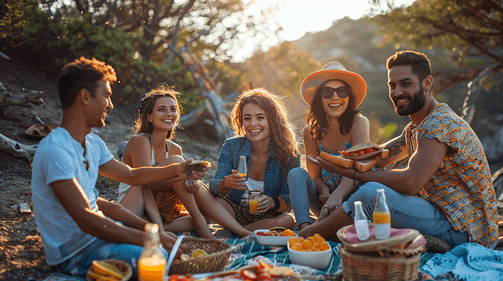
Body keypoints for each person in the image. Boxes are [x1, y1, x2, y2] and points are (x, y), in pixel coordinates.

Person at [31, 57, 210, 276]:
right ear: (86, 97)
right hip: (75, 253)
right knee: (160, 259)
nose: (111, 104)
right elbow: (85, 218)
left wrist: (178, 171)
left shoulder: (93, 143)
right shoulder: (55, 150)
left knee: (169, 253)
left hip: (99, 236)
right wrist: (152, 238)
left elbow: (132, 176)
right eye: (106, 96)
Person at [302, 50, 499, 249]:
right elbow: (378, 159)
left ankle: (308, 233)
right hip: (438, 214)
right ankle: (334, 229)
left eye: (406, 84)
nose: (397, 93)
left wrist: (352, 173)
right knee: (371, 185)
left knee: (372, 193)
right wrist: (337, 158)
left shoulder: (440, 124)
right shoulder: (416, 128)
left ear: (427, 83)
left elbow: (410, 182)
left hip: (462, 229)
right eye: (392, 86)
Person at [191, 88, 300, 236]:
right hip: (233, 210)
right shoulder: (232, 146)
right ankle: (243, 232)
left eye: (260, 117)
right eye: (247, 118)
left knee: (286, 220)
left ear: (272, 120)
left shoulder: (289, 153)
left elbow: (290, 199)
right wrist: (225, 183)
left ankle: (231, 232)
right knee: (197, 187)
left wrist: (274, 202)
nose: (253, 124)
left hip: (267, 217)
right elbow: (214, 188)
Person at [117, 86, 215, 239]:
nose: (169, 113)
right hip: (132, 207)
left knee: (204, 216)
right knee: (177, 164)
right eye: (162, 109)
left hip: (155, 212)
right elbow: (144, 186)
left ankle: (196, 222)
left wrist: (189, 182)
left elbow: (172, 195)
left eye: (173, 109)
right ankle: (195, 224)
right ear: (149, 117)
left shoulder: (175, 148)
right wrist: (161, 233)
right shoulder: (140, 141)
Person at [288, 62, 370, 230]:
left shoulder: (358, 123)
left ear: (349, 96)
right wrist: (324, 189)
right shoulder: (310, 131)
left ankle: (328, 225)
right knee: (296, 173)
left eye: (342, 91)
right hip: (324, 204)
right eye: (327, 92)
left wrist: (337, 196)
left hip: (355, 201)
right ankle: (305, 228)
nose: (335, 97)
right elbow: (315, 176)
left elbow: (360, 169)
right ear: (319, 98)